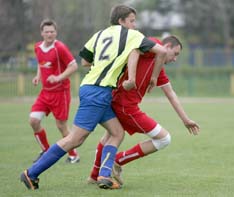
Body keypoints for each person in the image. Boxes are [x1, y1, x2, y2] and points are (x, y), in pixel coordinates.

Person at [20, 4, 167, 190]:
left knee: (117, 133)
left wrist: (105, 64)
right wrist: (154, 76)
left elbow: (84, 61)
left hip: (92, 88)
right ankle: (31, 173)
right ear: (121, 21)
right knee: (74, 139)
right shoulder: (133, 36)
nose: (134, 25)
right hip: (98, 91)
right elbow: (162, 52)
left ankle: (104, 176)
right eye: (131, 21)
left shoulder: (99, 34)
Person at [87, 35, 200, 186]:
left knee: (109, 136)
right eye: (175, 54)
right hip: (125, 106)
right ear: (166, 46)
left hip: (118, 102)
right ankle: (118, 160)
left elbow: (171, 94)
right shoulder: (154, 44)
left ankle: (94, 176)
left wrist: (185, 119)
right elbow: (134, 50)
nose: (175, 59)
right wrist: (131, 79)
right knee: (164, 139)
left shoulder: (158, 69)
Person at [29, 19, 80, 164]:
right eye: (47, 32)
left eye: (52, 31)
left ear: (56, 32)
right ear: (42, 33)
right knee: (33, 121)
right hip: (45, 92)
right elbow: (41, 63)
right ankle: (45, 150)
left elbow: (73, 66)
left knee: (61, 126)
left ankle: (74, 155)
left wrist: (58, 77)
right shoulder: (38, 47)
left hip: (61, 92)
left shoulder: (60, 48)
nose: (50, 34)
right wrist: (38, 77)